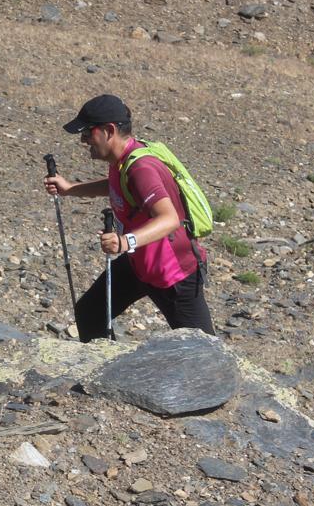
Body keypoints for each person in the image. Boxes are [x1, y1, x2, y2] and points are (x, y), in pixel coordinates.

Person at [43, 94, 215, 342]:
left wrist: (124, 243)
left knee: (204, 352)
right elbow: (117, 186)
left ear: (108, 130)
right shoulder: (123, 160)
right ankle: (105, 375)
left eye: (87, 133)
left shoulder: (141, 169)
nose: (83, 140)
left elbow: (169, 219)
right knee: (90, 313)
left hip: (173, 275)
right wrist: (71, 189)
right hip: (141, 263)